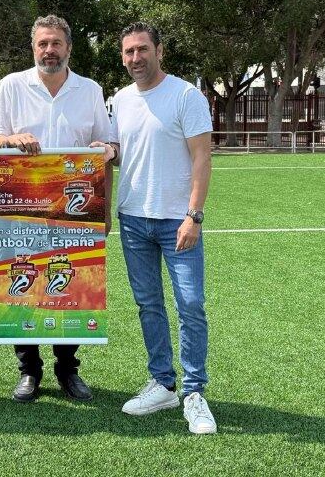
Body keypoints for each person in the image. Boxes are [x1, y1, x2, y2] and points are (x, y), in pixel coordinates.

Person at [0, 14, 114, 403]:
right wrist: (11, 137)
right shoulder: (11, 85)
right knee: (23, 286)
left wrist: (105, 201)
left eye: (56, 43)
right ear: (33, 47)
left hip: (76, 209)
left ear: (69, 48)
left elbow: (107, 148)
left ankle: (67, 370)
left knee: (70, 287)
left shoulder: (90, 89)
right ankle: (29, 371)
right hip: (24, 207)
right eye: (43, 43)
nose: (49, 50)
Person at [106, 21, 217, 434]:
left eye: (142, 50)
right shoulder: (118, 100)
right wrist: (104, 151)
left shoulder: (186, 96)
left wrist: (194, 216)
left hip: (178, 221)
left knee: (190, 304)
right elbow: (117, 153)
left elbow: (202, 159)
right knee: (148, 305)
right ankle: (163, 383)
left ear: (159, 51)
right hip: (133, 218)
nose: (136, 58)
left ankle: (193, 392)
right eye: (129, 52)